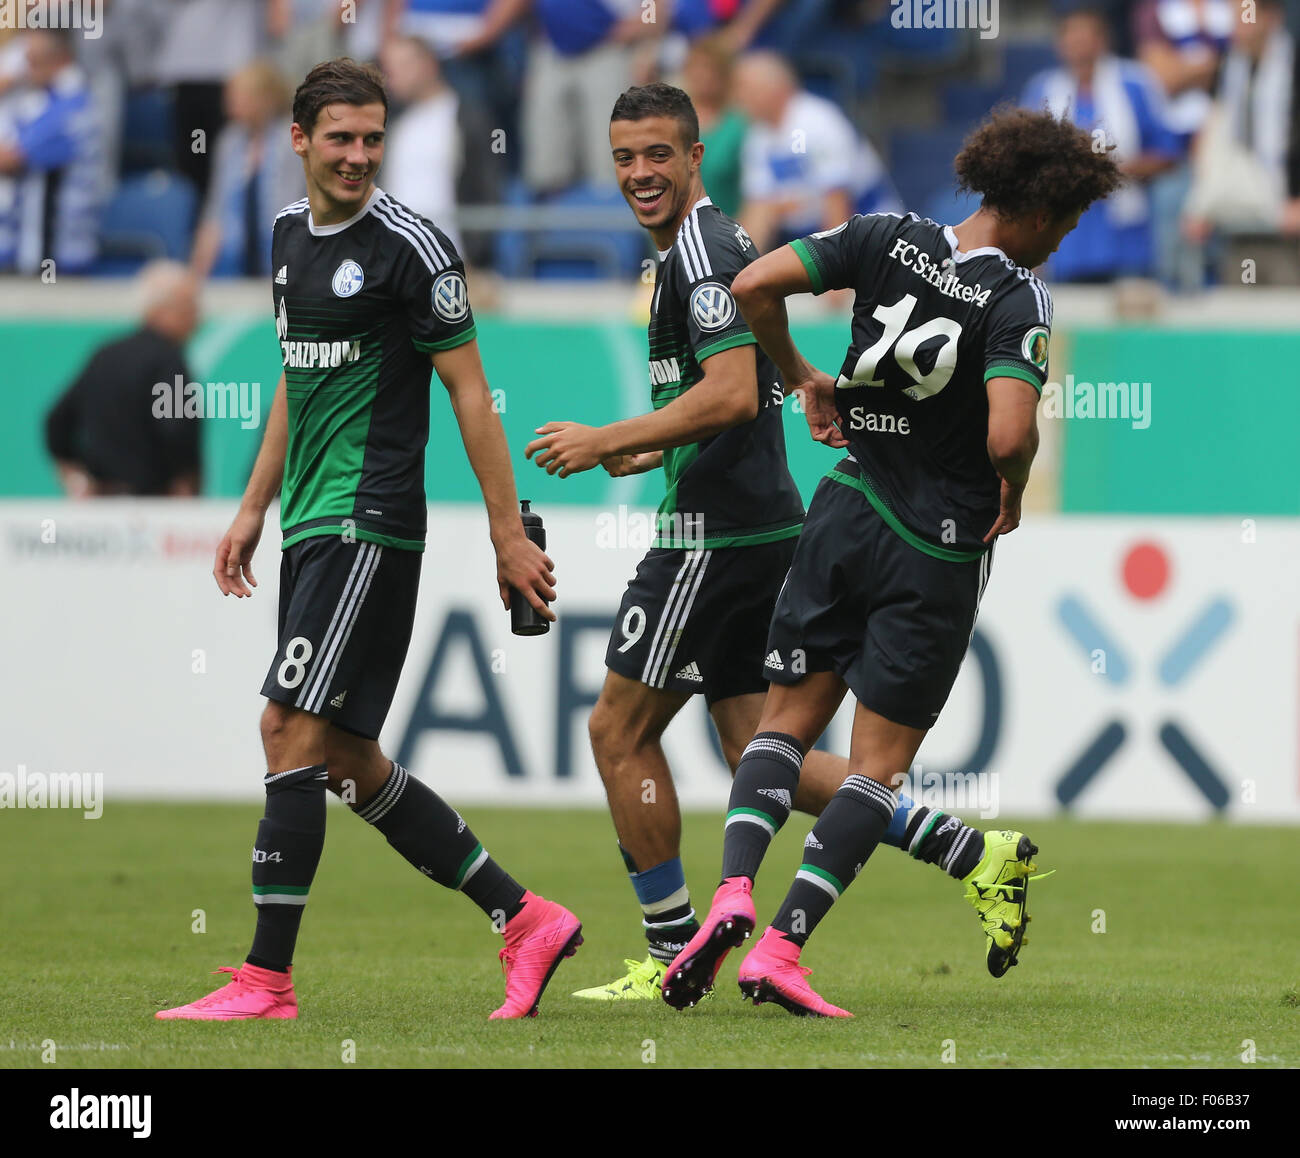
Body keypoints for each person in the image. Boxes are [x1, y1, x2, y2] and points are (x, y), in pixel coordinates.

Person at [526, 83, 1025, 1004]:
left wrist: (611, 438)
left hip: (715, 536)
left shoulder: (708, 251)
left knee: (615, 731)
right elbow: (726, 395)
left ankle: (669, 943)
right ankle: (968, 848)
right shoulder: (688, 251)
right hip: (754, 523)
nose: (640, 173)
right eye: (625, 158)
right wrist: (660, 449)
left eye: (657, 156)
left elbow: (733, 394)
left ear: (694, 156)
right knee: (760, 753)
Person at [666, 106, 1122, 1017]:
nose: (1060, 245)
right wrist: (1017, 486)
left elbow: (754, 281)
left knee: (781, 730)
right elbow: (1005, 432)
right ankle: (782, 951)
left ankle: (730, 895)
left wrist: (802, 374)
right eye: (1065, 226)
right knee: (874, 769)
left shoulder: (889, 235)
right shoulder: (1019, 298)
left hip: (845, 506)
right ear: (1038, 211)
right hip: (937, 547)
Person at [156, 58, 580, 1023]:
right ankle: (525, 918)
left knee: (286, 730)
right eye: (340, 137)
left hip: (369, 519)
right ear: (299, 140)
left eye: (372, 138)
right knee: (345, 756)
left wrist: (508, 536)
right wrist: (253, 508)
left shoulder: (413, 248)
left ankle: (266, 982)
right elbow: (295, 383)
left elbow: (471, 392)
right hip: (308, 519)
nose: (357, 155)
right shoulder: (283, 238)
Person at [1021, 5, 1178, 282]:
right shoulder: (1043, 89)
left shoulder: (1137, 83)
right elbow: (1023, 162)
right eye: (1072, 38)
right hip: (1063, 237)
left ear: (1103, 40)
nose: (1079, 46)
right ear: (1060, 44)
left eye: (1086, 37)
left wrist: (1117, 171)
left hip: (1127, 232)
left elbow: (1168, 153)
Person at [45, 261, 201, 497]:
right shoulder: (169, 360)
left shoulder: (105, 355)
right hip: (155, 504)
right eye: (188, 307)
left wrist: (76, 474)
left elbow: (56, 422)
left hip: (101, 502)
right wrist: (184, 480)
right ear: (162, 310)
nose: (197, 318)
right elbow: (176, 430)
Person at [733, 51, 899, 255]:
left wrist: (833, 283)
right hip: (809, 237)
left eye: (745, 88)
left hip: (872, 235)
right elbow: (758, 209)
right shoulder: (758, 135)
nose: (738, 97)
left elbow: (838, 209)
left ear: (775, 87)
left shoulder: (819, 121)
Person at [0, 28, 103, 275]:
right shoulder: (40, 100)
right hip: (27, 252)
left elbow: (11, 158)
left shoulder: (73, 104)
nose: (26, 69)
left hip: (57, 258)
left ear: (61, 59)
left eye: (35, 62)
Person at [189, 61, 304, 279]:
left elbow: (297, 211)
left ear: (265, 100)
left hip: (280, 257)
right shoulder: (228, 142)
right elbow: (215, 212)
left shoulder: (292, 141)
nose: (229, 105)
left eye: (239, 97)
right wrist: (196, 276)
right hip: (232, 258)